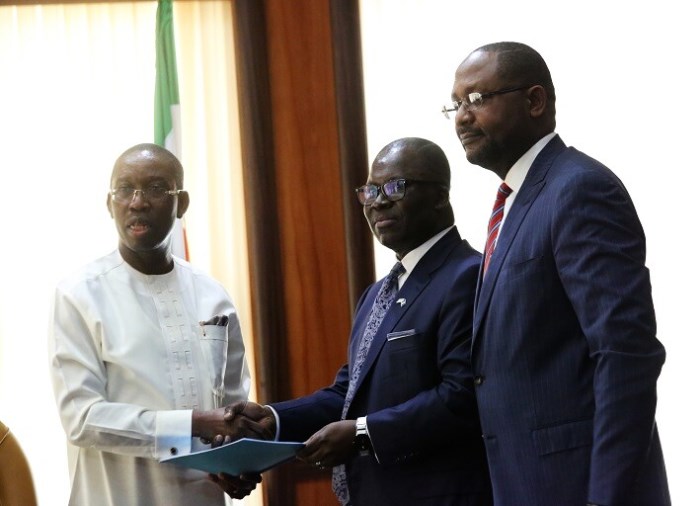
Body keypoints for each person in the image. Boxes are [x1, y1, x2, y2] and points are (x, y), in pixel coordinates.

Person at [445, 41, 670, 506]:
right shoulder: (514, 203)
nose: (461, 117)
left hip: (581, 485)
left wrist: (607, 497)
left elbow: (625, 353)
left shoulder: (579, 189)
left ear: (534, 101)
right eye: (455, 104)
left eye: (477, 100)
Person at [219, 137, 492, 505]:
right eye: (370, 190)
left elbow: (462, 395)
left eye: (395, 187)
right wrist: (271, 418)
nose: (378, 201)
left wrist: (363, 433)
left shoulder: (469, 275)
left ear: (440, 196)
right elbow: (349, 395)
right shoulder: (376, 294)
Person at [48, 143, 265, 505]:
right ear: (109, 204)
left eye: (155, 188)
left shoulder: (213, 296)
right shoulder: (79, 295)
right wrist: (195, 423)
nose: (137, 202)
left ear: (182, 203)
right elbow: (82, 418)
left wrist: (237, 462)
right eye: (124, 189)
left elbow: (231, 410)